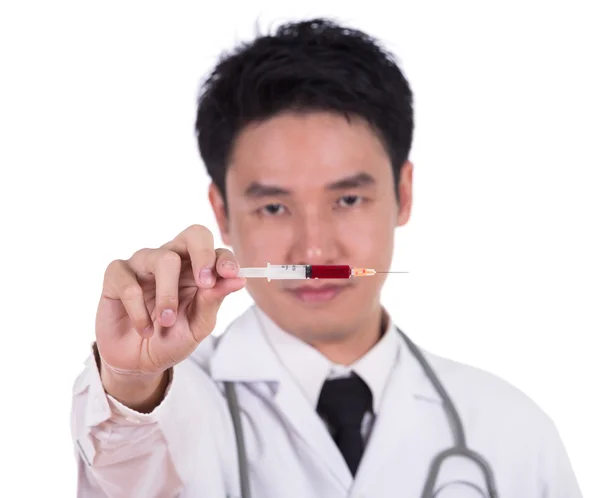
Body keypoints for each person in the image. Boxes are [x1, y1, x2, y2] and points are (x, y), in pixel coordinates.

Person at [70, 18, 581, 498]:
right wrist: (132, 381)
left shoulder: (514, 432)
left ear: (403, 194)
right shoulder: (170, 405)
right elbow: (126, 472)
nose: (314, 251)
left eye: (348, 200)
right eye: (273, 206)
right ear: (221, 212)